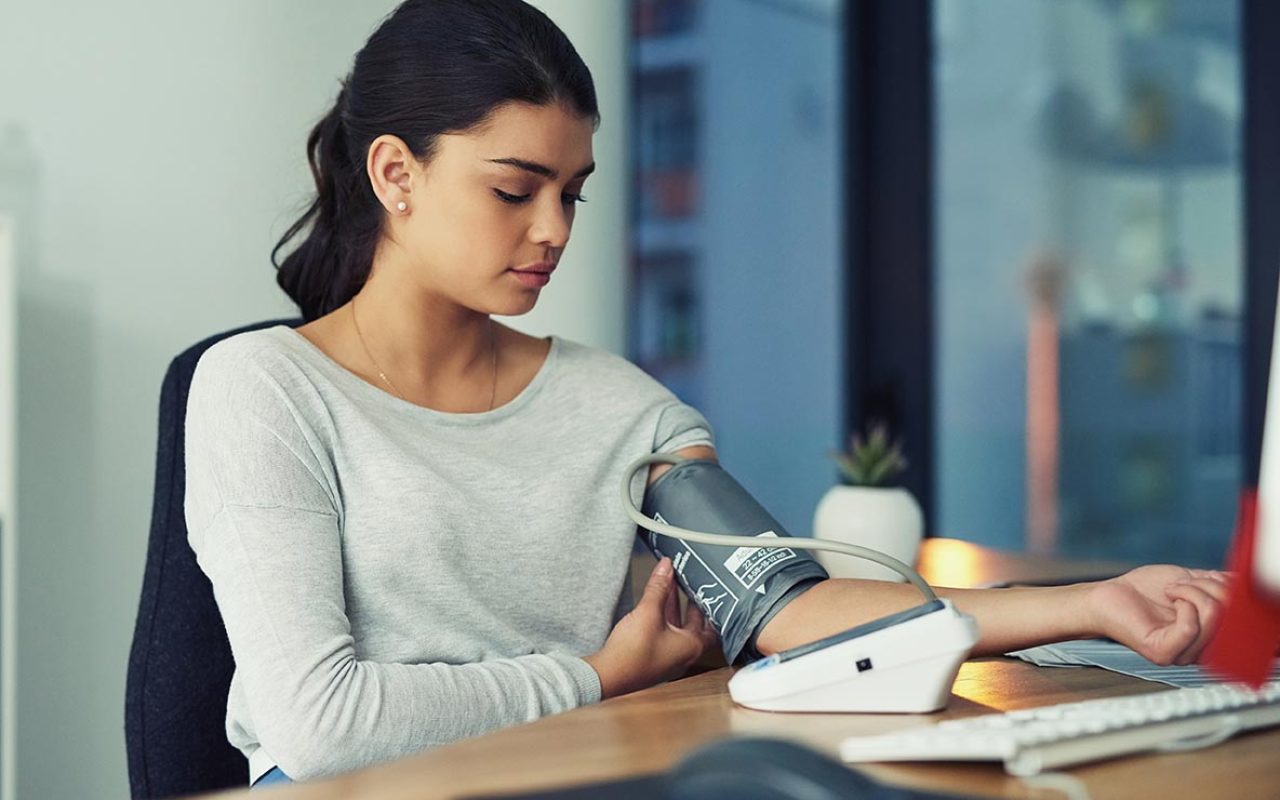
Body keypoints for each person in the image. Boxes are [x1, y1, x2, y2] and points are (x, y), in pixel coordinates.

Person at [183, 0, 1229, 789]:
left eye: (571, 193)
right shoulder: (263, 388)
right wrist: (600, 670)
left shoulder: (618, 407)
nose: (552, 228)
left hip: (553, 769)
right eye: (514, 189)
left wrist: (1090, 604)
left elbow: (789, 603)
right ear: (395, 173)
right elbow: (322, 723)